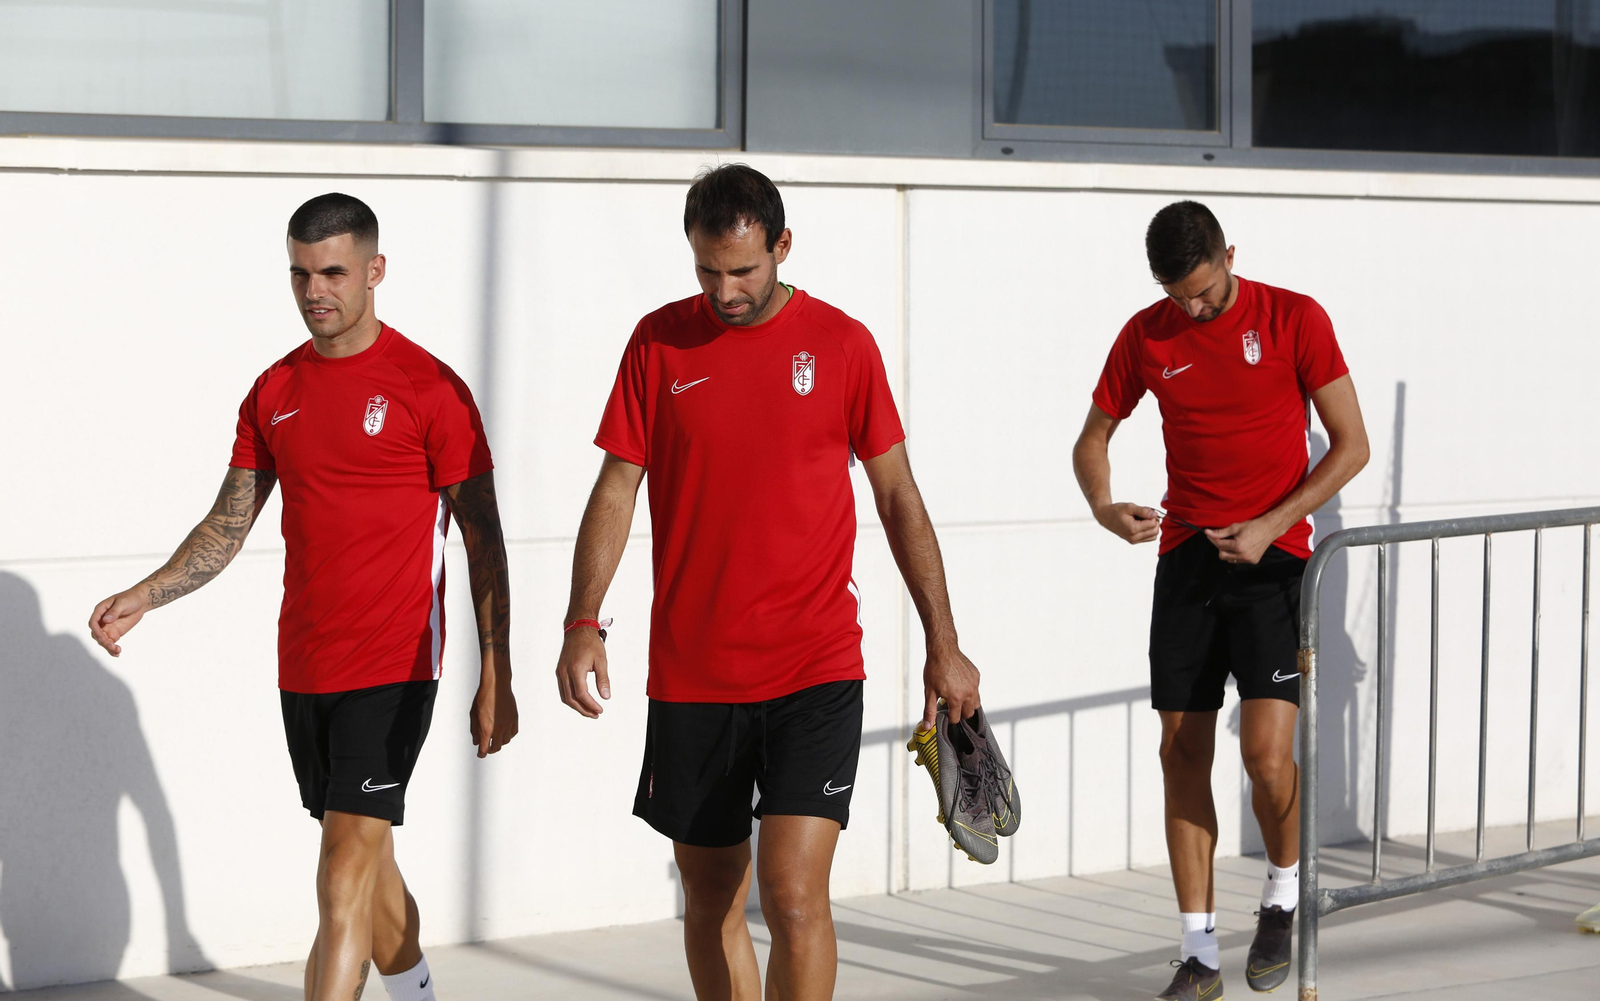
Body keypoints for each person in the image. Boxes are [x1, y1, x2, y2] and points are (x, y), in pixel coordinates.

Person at [555, 164, 981, 1001]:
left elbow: (897, 494)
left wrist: (945, 643)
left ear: (782, 245)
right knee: (712, 896)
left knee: (792, 893)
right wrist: (582, 620)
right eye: (708, 270)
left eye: (743, 270)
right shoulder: (657, 342)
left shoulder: (843, 344)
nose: (726, 289)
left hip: (813, 668)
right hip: (694, 674)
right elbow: (617, 485)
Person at [88, 193, 517, 1001]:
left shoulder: (430, 388)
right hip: (306, 666)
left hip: (394, 666)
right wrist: (148, 593)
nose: (314, 289)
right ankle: (418, 989)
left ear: (374, 272)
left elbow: (484, 540)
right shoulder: (275, 389)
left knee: (340, 872)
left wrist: (498, 667)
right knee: (366, 867)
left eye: (332, 272)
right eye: (299, 272)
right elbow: (230, 519)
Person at [1072, 201, 1369, 1000]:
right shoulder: (1148, 333)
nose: (1193, 309)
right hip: (1187, 563)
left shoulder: (1294, 317)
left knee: (1266, 758)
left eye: (1204, 293)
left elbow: (1353, 444)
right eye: (1179, 296)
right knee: (1181, 753)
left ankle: (1281, 894)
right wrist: (1106, 507)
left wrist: (1274, 524)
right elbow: (1091, 439)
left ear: (1230, 255)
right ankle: (1198, 953)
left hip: (1274, 565)